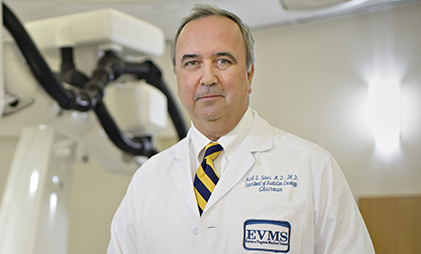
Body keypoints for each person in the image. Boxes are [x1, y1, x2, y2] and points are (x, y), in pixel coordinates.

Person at [107, 4, 374, 254]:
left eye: (223, 61)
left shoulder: (313, 167)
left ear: (248, 75)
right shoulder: (146, 181)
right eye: (192, 63)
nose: (208, 78)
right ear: (177, 80)